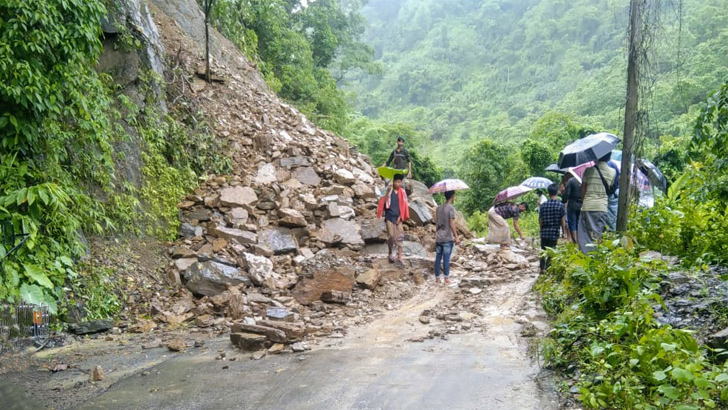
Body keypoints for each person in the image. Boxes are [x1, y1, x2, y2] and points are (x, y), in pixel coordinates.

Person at [578, 152, 617, 254]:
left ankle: (585, 256)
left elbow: (583, 189)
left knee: (584, 234)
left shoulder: (589, 170)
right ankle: (596, 257)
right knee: (597, 233)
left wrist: (585, 200)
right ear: (609, 158)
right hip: (602, 207)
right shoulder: (612, 172)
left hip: (587, 206)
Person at [377, 173, 410, 263]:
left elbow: (404, 206)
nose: (398, 184)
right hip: (389, 216)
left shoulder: (403, 192)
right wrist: (387, 191)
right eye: (396, 181)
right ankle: (390, 253)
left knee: (400, 236)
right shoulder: (387, 189)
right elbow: (383, 201)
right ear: (393, 181)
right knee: (390, 236)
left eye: (399, 182)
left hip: (398, 217)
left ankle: (400, 256)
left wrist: (400, 217)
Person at [539, 184, 566, 273]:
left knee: (543, 250)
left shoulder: (543, 206)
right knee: (552, 250)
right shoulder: (560, 205)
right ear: (557, 192)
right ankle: (548, 268)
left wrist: (541, 229)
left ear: (548, 193)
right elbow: (562, 220)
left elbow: (540, 220)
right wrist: (564, 232)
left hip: (544, 231)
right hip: (554, 231)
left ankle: (542, 268)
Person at [435, 190, 460, 284]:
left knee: (438, 258)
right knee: (446, 258)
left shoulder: (438, 208)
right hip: (447, 238)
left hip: (438, 237)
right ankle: (446, 279)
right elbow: (452, 223)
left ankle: (437, 278)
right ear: (452, 196)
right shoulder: (450, 208)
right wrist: (456, 237)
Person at [561, 170, 582, 243]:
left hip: (572, 204)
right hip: (582, 204)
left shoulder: (571, 181)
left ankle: (575, 242)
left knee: (572, 223)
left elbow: (567, 194)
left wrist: (563, 201)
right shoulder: (582, 180)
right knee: (580, 223)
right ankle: (580, 240)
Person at [605, 159, 621, 230]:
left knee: (609, 217)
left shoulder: (605, 166)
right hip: (616, 191)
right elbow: (619, 177)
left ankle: (611, 232)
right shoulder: (613, 164)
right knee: (615, 214)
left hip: (610, 193)